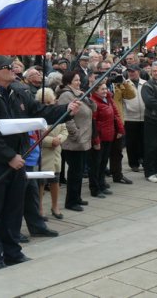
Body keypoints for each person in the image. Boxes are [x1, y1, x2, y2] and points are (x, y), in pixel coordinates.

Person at [0, 56, 80, 271]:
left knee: (13, 209)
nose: (13, 69)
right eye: (8, 67)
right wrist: (9, 156)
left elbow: (39, 112)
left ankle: (12, 252)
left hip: (17, 162)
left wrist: (65, 111)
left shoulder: (18, 93)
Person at [56, 71, 96, 212]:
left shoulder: (79, 93)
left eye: (79, 80)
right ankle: (71, 201)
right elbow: (66, 117)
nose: (78, 82)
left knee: (79, 171)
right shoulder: (66, 95)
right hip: (74, 141)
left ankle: (77, 197)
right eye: (76, 80)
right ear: (68, 82)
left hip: (84, 139)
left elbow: (93, 109)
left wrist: (86, 97)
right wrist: (75, 134)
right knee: (74, 172)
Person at [35, 87, 67, 220]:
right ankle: (40, 208)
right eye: (46, 103)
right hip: (43, 154)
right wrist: (49, 141)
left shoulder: (57, 114)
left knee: (55, 181)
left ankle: (55, 206)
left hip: (56, 153)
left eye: (50, 102)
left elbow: (65, 130)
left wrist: (59, 139)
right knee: (41, 183)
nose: (49, 105)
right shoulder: (37, 117)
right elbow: (35, 136)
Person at [90, 82, 124, 198]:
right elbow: (93, 123)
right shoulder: (94, 102)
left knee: (103, 162)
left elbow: (115, 115)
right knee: (96, 164)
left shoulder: (107, 99)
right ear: (95, 91)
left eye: (105, 89)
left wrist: (119, 130)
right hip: (100, 137)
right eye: (102, 89)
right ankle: (95, 188)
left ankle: (102, 184)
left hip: (108, 135)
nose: (105, 91)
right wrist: (96, 140)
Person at [124, 65, 146, 173]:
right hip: (130, 117)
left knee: (144, 141)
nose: (131, 73)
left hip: (145, 117)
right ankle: (133, 163)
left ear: (138, 71)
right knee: (131, 142)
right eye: (129, 72)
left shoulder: (145, 83)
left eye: (133, 71)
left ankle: (144, 160)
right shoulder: (124, 84)